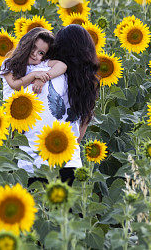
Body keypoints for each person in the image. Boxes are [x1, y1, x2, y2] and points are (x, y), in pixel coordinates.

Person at [17, 24, 100, 185]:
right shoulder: (87, 85)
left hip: (33, 163)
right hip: (69, 163)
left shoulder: (40, 75)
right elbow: (78, 136)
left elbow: (19, 119)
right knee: (64, 210)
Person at [0, 27, 67, 102]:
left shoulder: (41, 63)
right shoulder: (9, 63)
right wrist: (34, 74)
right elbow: (15, 85)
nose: (34, 54)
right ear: (25, 44)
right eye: (33, 47)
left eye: (41, 53)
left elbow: (62, 66)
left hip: (30, 110)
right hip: (11, 108)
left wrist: (44, 78)